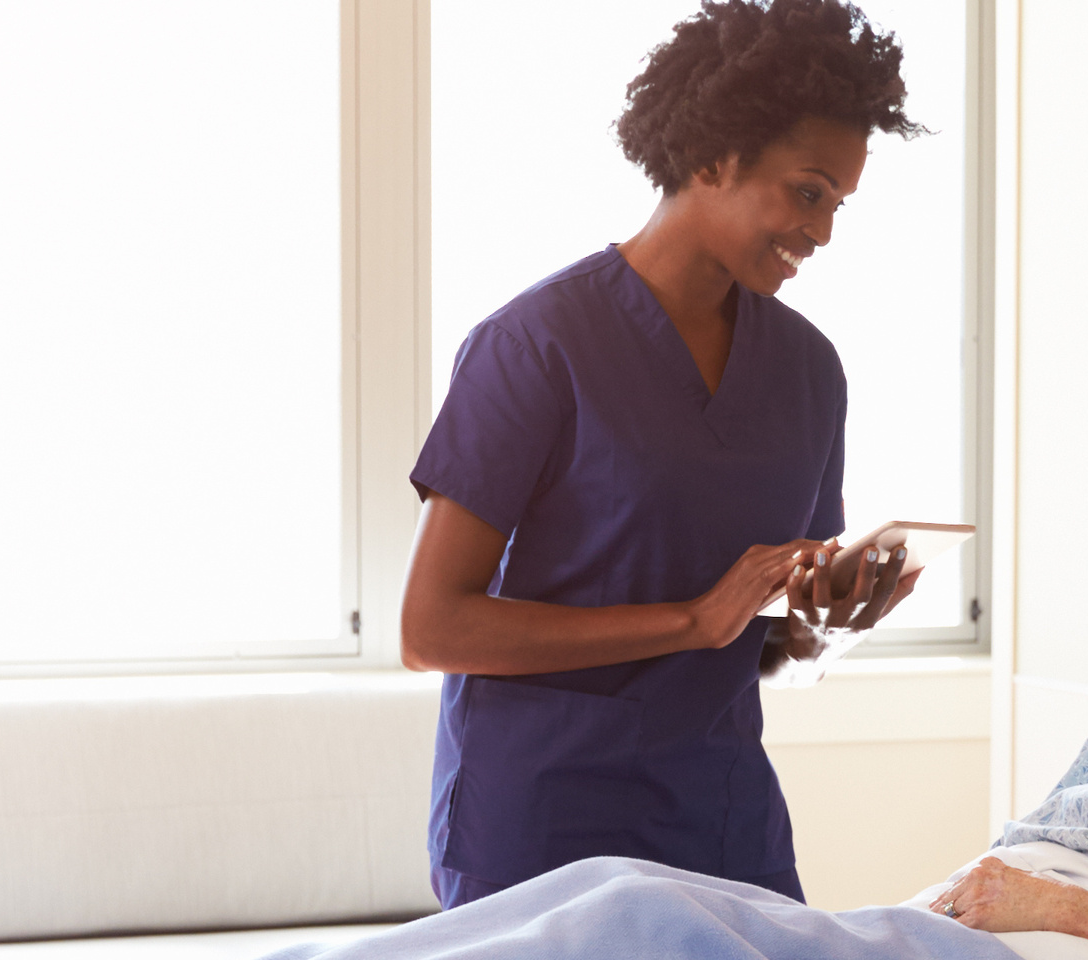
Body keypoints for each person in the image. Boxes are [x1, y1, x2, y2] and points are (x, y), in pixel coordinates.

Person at [285, 464, 1088, 960]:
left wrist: (1060, 909)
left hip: (1035, 949)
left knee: (636, 919)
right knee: (607, 885)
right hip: (945, 933)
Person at [396, 0, 930, 909]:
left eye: (838, 203)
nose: (825, 230)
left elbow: (766, 639)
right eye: (808, 192)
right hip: (541, 824)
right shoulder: (535, 346)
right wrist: (690, 618)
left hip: (720, 818)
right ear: (715, 155)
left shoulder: (808, 369)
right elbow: (431, 629)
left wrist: (827, 616)